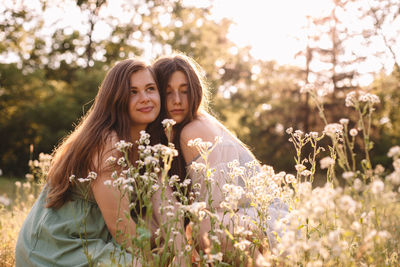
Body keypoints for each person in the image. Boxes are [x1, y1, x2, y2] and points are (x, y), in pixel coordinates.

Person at [15, 59, 175, 266]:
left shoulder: (146, 146)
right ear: (116, 99)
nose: (144, 98)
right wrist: (155, 261)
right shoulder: (107, 142)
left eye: (150, 89)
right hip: (57, 248)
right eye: (132, 92)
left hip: (96, 242)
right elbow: (122, 229)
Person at [153, 53, 288, 260]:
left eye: (184, 91)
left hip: (271, 225)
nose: (177, 101)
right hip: (240, 222)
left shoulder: (193, 130)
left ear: (195, 92)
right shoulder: (173, 132)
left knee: (203, 228)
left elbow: (216, 209)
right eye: (168, 92)